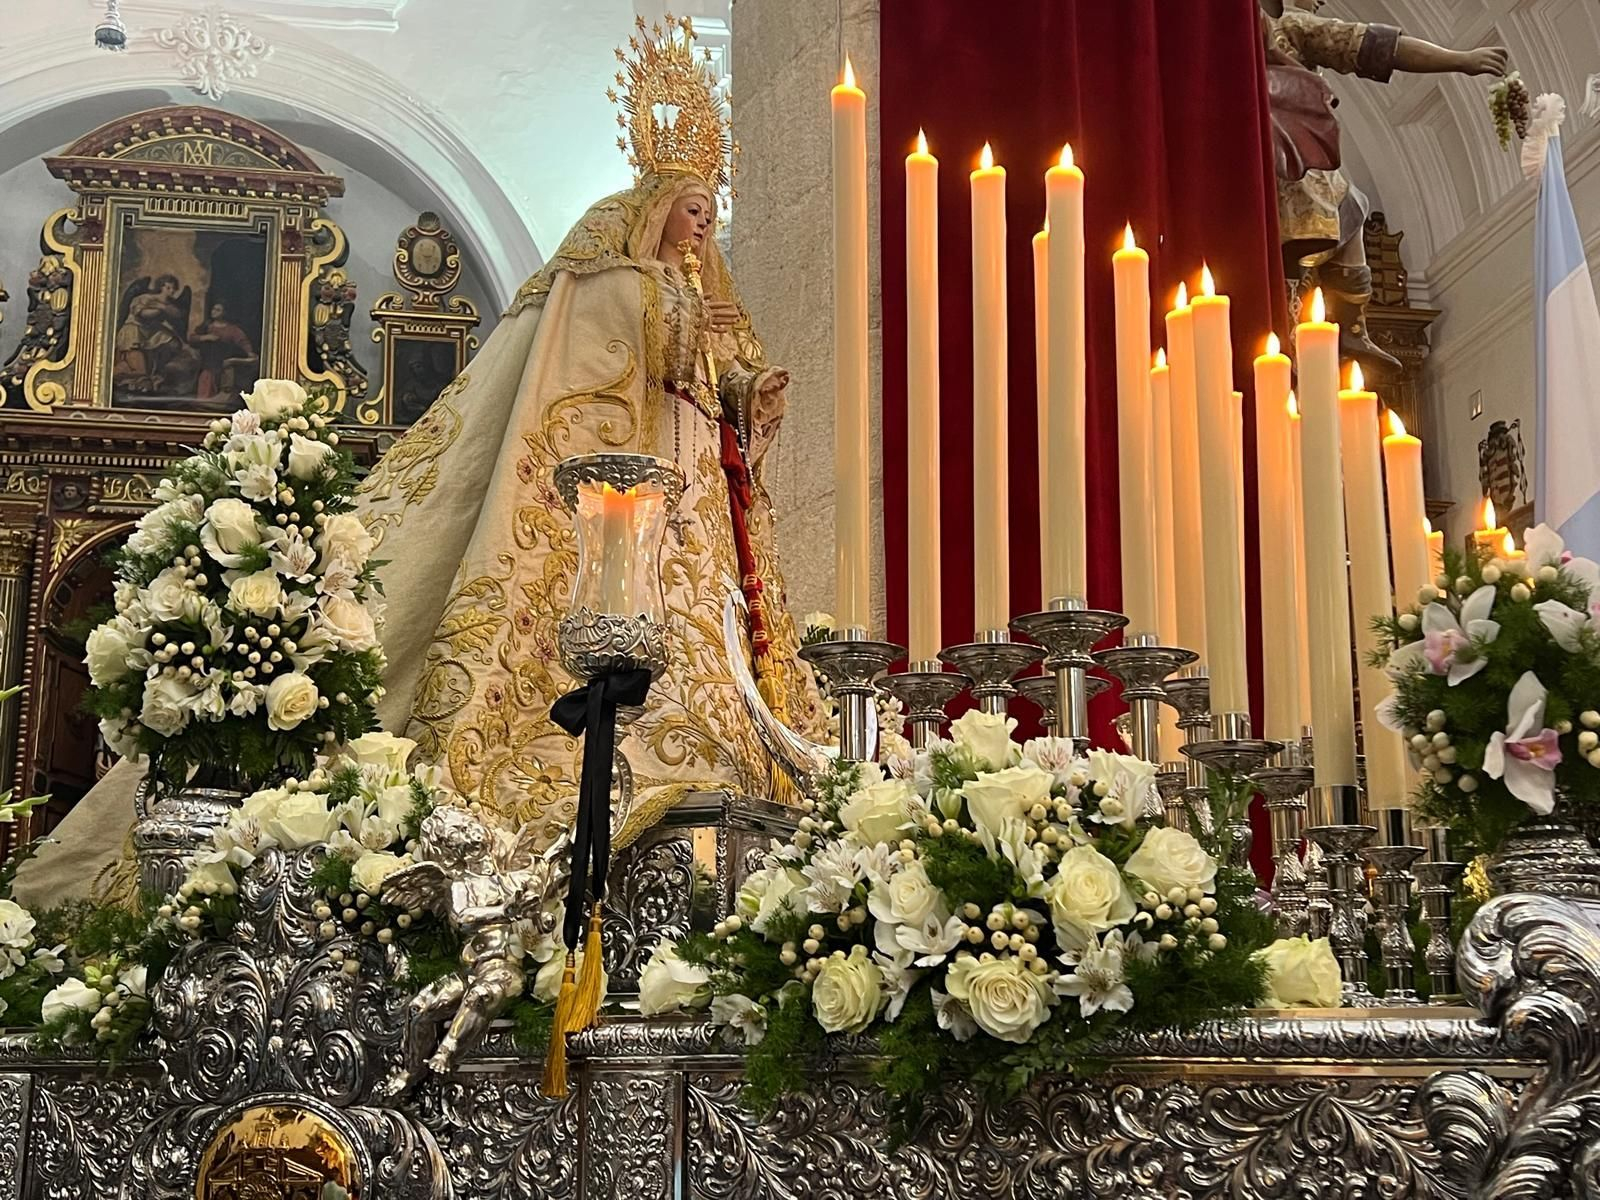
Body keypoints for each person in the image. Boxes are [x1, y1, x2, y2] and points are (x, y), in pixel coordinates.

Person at [14, 17, 820, 903]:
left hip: (693, 498)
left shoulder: (704, 295)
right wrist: (672, 321)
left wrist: (747, 388)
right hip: (617, 486)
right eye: (689, 210)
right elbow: (602, 364)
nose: (702, 228)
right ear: (650, 210)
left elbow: (723, 377)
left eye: (710, 215)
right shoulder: (613, 279)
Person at [1262, 0, 1508, 366]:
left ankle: (1343, 331)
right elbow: (1374, 46)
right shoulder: (1289, 25)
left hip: (1255, 184)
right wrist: (1460, 59)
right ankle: (1346, 329)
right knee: (1344, 212)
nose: (1320, 1)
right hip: (1286, 182)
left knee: (1351, 207)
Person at [190, 301, 257, 399]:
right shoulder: (207, 326)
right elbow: (192, 338)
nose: (214, 312)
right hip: (207, 359)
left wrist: (249, 352)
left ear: (225, 312)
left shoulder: (232, 329)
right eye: (213, 309)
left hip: (223, 358)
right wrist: (206, 337)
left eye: (218, 310)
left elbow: (243, 342)